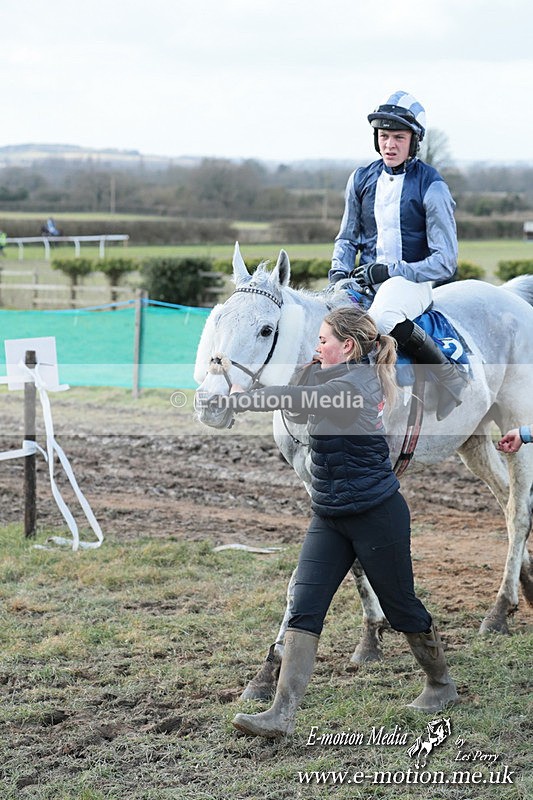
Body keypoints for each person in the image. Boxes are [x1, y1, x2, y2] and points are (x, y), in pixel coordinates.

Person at [214, 307, 458, 738]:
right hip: (329, 514)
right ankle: (281, 713)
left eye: (324, 339)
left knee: (401, 608)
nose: (316, 345)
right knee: (304, 608)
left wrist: (243, 399)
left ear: (347, 346)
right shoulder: (326, 374)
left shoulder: (357, 384)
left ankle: (440, 684)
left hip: (376, 515)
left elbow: (296, 399)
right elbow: (288, 385)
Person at [329, 90, 467, 421]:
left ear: (413, 140)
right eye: (384, 136)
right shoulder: (360, 179)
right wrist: (338, 274)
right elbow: (348, 238)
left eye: (399, 137)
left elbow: (445, 261)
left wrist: (390, 271)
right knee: (327, 317)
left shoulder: (432, 186)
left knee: (380, 318)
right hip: (367, 281)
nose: (390, 144)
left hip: (414, 283)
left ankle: (449, 376)